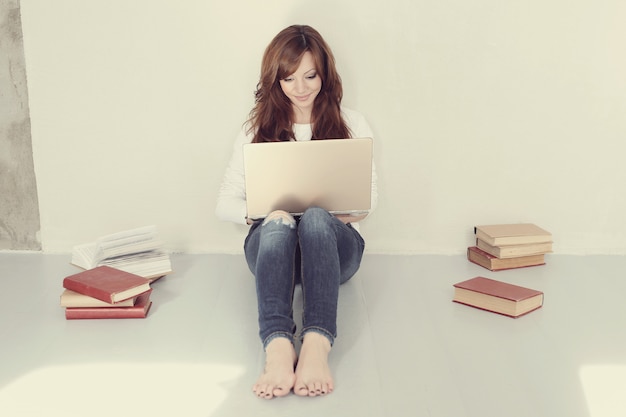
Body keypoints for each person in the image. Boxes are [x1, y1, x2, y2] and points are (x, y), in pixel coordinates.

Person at [216, 24, 377, 399]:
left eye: (310, 76)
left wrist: (328, 216)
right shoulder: (256, 128)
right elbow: (223, 203)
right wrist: (268, 215)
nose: (301, 88)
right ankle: (278, 347)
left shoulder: (352, 123)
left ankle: (317, 344)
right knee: (279, 222)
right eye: (289, 79)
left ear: (325, 74)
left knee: (317, 218)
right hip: (275, 253)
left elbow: (369, 202)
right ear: (276, 80)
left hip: (335, 254)